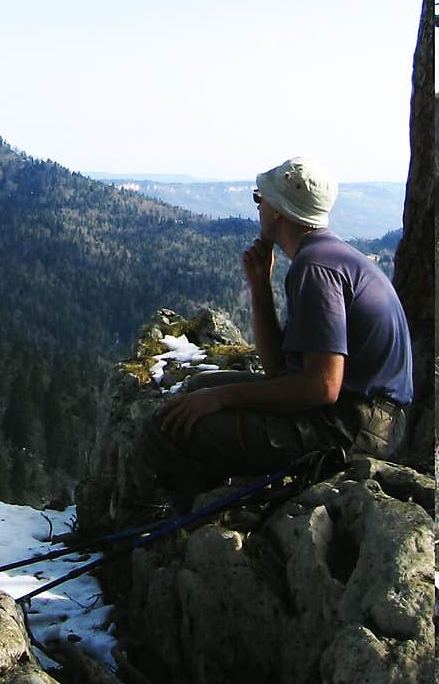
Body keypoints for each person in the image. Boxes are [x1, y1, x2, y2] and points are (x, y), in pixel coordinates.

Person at [138, 155, 413, 509]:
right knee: (196, 392)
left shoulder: (317, 269)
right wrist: (259, 287)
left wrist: (222, 399)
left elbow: (322, 386)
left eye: (260, 199)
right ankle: (211, 500)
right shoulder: (331, 256)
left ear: (279, 210)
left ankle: (184, 523)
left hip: (353, 426)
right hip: (366, 415)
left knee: (165, 429)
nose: (259, 207)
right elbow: (279, 372)